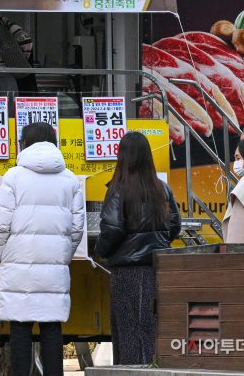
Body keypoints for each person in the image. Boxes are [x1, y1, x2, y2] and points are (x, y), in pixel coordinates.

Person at [0, 122, 85, 376]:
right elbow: (77, 229)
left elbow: (1, 224)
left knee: (20, 328)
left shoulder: (13, 176)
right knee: (52, 328)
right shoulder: (70, 179)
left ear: (24, 143)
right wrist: (64, 255)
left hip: (18, 262)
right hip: (55, 264)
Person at [95, 132, 181, 366]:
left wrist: (101, 250)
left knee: (128, 330)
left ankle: (130, 371)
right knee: (151, 328)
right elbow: (175, 226)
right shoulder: (162, 188)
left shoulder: (118, 189)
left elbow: (112, 230)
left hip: (126, 272)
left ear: (123, 157)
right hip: (156, 269)